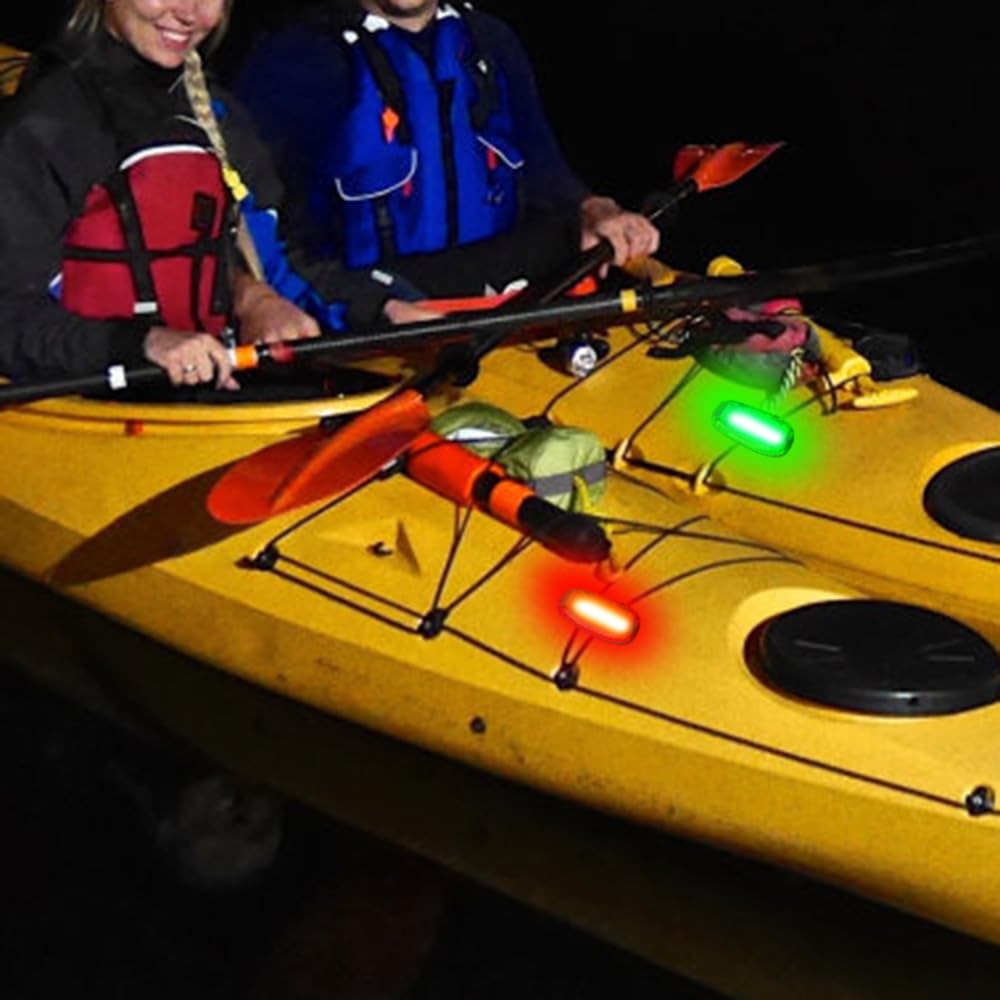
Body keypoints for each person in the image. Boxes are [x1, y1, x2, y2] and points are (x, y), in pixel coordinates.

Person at [0, 0, 431, 389]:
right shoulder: (45, 123)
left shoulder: (218, 114)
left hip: (213, 393)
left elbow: (283, 262)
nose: (189, 14)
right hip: (96, 407)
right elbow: (10, 317)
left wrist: (379, 308)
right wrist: (140, 345)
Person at [232, 0, 661, 299]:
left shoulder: (490, 40)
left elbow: (543, 167)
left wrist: (593, 208)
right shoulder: (293, 60)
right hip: (376, 323)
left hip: (507, 304)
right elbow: (254, 220)